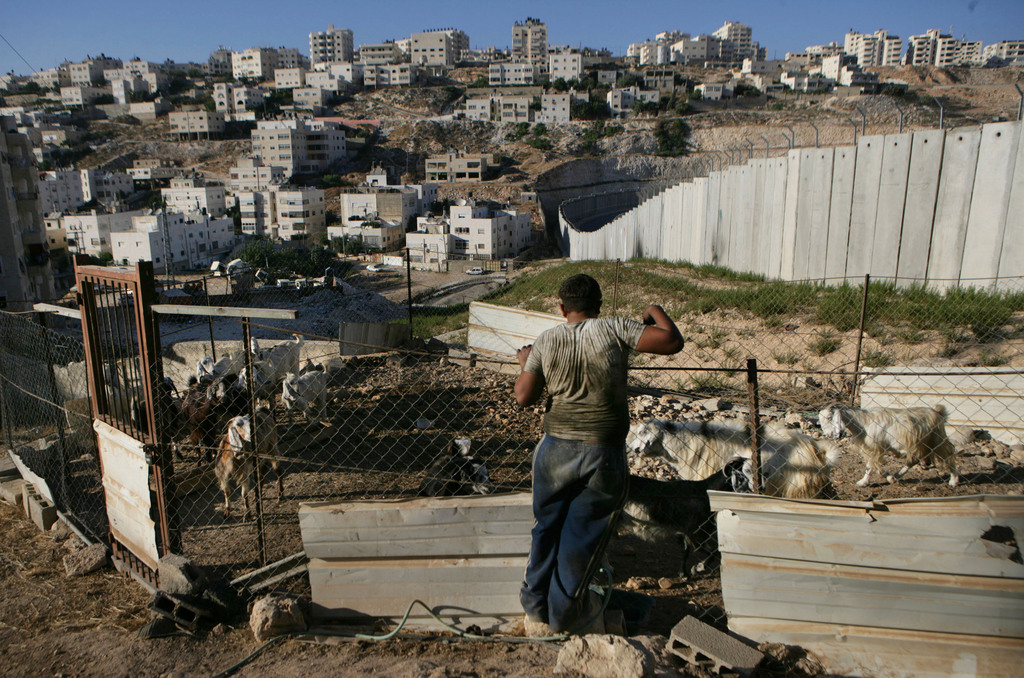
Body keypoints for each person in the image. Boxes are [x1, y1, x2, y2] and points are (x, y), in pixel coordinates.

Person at [514, 273, 684, 634]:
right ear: (599, 306)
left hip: (555, 451)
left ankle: (535, 609)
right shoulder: (615, 329)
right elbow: (671, 341)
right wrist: (653, 309)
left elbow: (524, 397)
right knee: (582, 534)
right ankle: (563, 613)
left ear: (562, 308)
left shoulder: (546, 340)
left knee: (546, 528)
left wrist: (525, 363)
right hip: (602, 453)